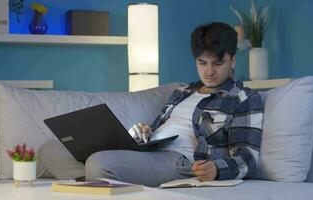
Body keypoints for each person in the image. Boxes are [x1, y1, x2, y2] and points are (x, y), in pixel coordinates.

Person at [85, 22, 264, 186]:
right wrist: (146, 133)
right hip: (152, 152)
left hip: (184, 161)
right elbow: (163, 128)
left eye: (217, 63)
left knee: (99, 163)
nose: (209, 72)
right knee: (88, 153)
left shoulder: (243, 98)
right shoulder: (182, 92)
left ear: (232, 61)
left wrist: (217, 169)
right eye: (202, 63)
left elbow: (247, 157)